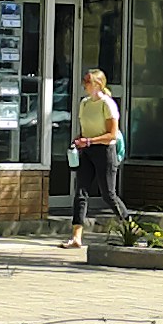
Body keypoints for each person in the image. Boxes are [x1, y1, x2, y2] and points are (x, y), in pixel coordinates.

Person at [71, 64, 121, 253]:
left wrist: (89, 141)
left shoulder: (107, 104)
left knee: (108, 194)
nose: (85, 85)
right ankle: (76, 236)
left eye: (88, 82)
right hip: (87, 151)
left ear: (98, 85)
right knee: (80, 192)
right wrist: (79, 139)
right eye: (84, 82)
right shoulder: (84, 103)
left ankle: (130, 226)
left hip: (104, 151)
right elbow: (84, 129)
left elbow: (112, 135)